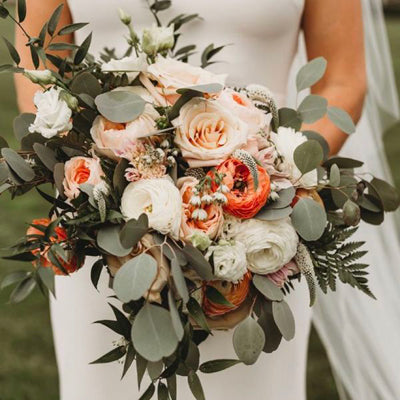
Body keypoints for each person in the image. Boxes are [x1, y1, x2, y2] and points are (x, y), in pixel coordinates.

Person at [13, 0, 400, 399]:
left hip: (260, 243)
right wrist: (113, 182)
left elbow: (343, 81)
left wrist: (274, 181)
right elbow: (38, 76)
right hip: (111, 239)